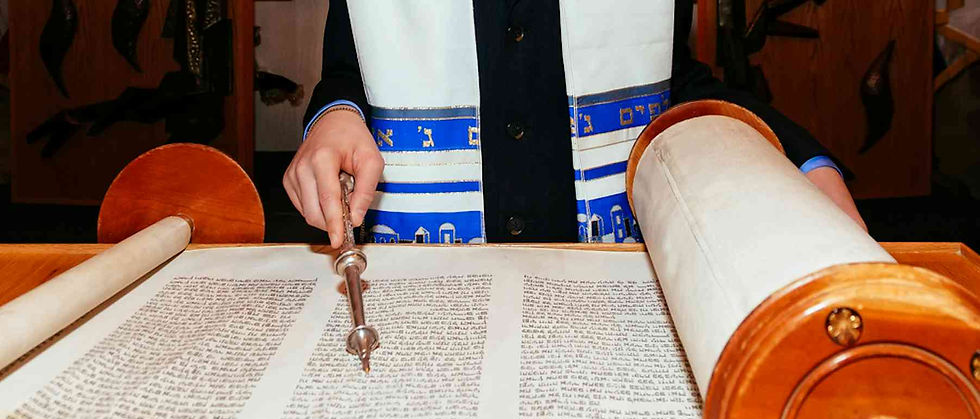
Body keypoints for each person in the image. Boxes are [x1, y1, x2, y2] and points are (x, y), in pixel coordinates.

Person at [284, 0, 866, 248]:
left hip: (601, 274)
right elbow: (348, 71)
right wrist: (334, 116)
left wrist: (800, 159)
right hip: (428, 276)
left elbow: (669, 75)